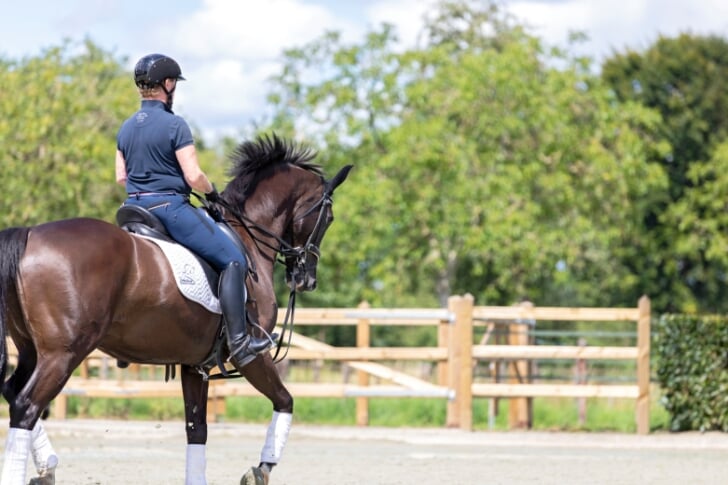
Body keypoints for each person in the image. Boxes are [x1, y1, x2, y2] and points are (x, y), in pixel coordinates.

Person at [115, 53, 272, 368]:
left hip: (133, 209)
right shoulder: (175, 124)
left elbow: (121, 177)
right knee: (233, 259)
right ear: (168, 84)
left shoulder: (126, 127)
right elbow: (193, 176)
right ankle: (239, 341)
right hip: (168, 208)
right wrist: (212, 191)